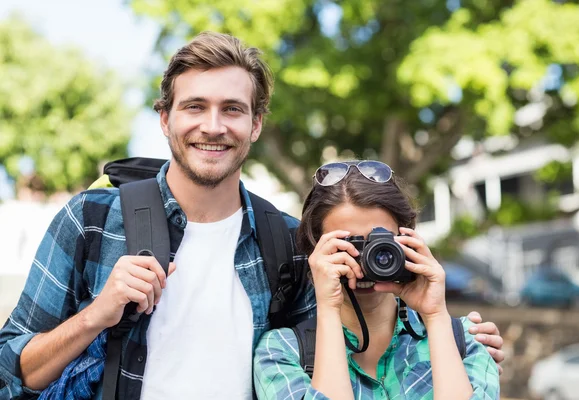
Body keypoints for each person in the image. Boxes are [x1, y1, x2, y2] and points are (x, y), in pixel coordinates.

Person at [0, 33, 503, 400]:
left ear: (256, 123)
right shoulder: (92, 219)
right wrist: (95, 316)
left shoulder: (286, 242)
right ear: (164, 118)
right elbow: (9, 369)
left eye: (233, 109)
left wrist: (452, 335)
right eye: (194, 106)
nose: (213, 126)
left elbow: (348, 341)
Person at [254, 160, 500, 399]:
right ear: (313, 252)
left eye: (380, 244)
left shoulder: (466, 339)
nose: (365, 260)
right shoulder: (281, 353)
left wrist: (435, 316)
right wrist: (328, 309)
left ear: (408, 238)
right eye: (348, 246)